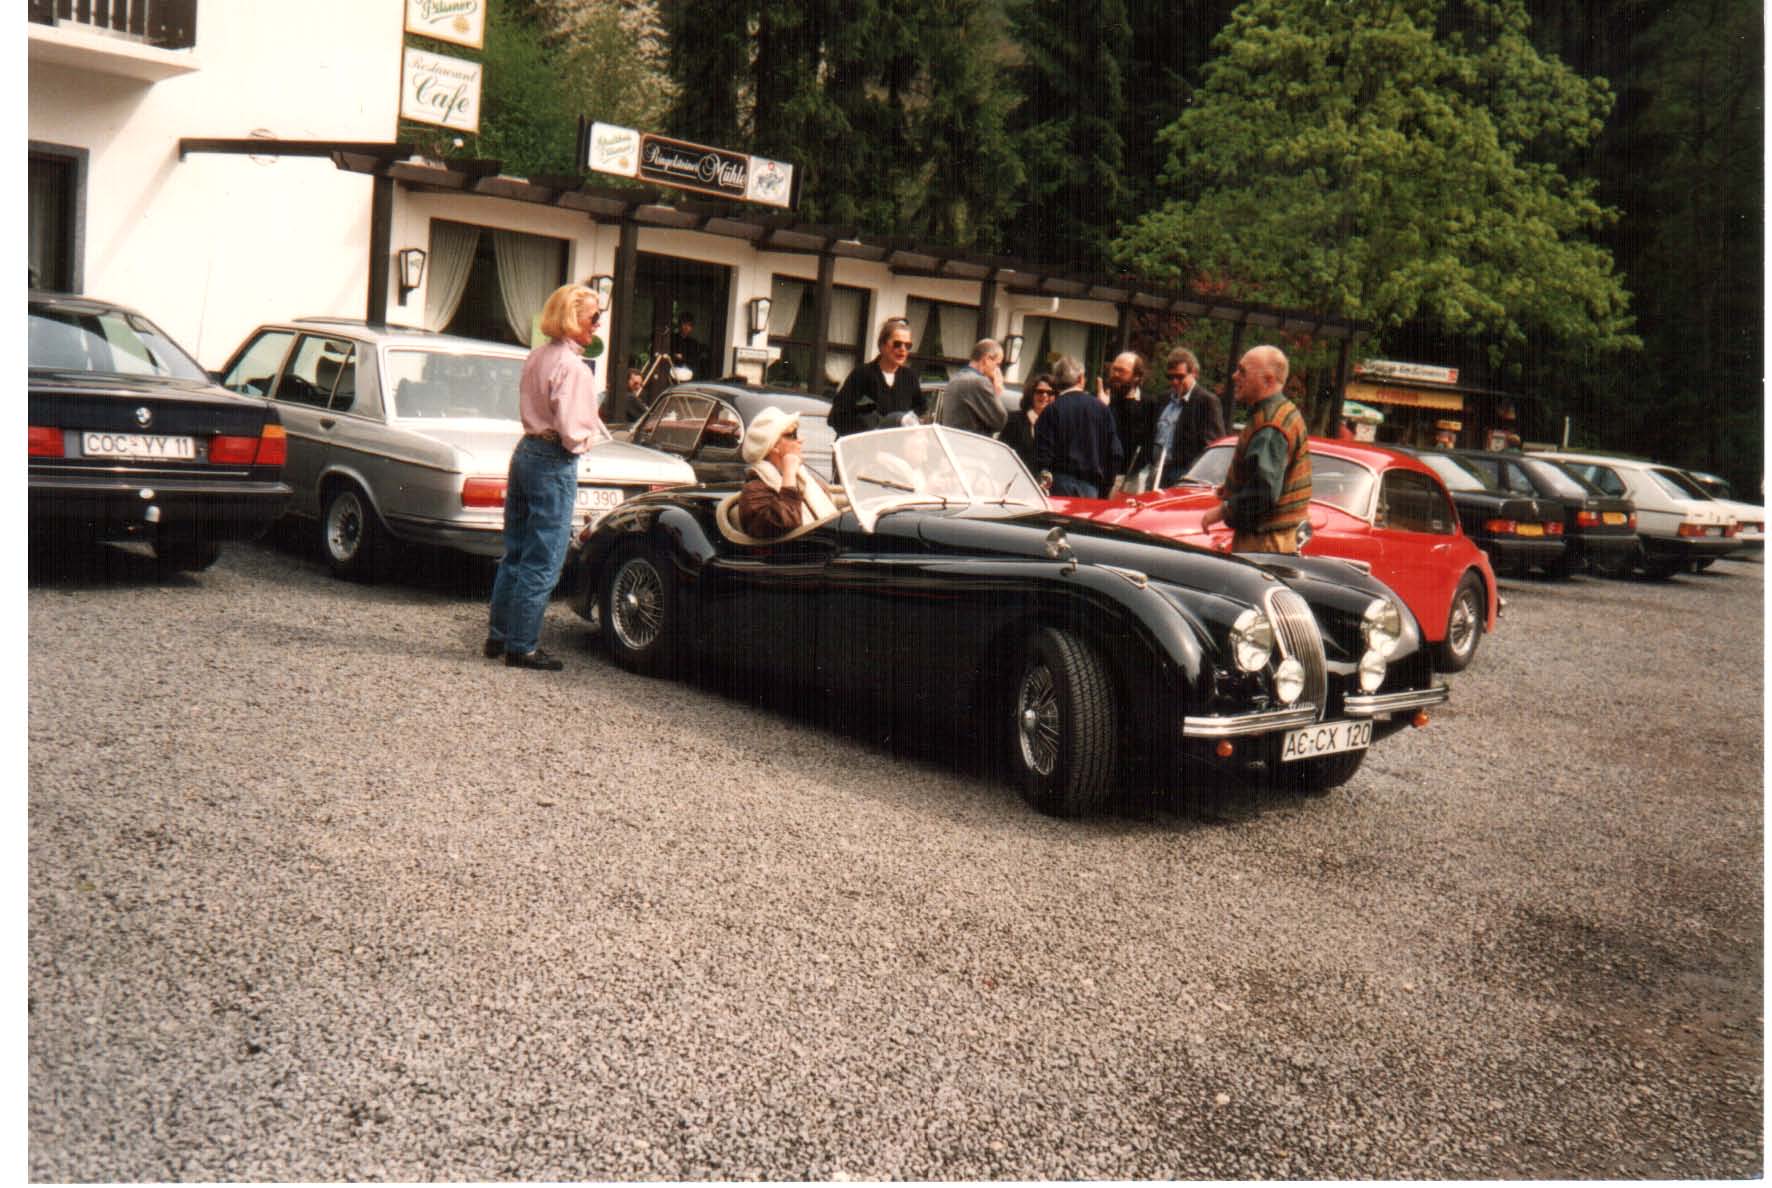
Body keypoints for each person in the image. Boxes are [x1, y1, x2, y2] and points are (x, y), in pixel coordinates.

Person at [484, 283, 610, 670]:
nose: (598, 324)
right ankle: (522, 646)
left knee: (516, 552)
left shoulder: (537, 356)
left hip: (526, 451)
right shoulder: (575, 368)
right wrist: (590, 439)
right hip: (553, 458)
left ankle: (499, 635)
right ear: (573, 318)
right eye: (594, 317)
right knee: (544, 558)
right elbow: (573, 432)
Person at [1198, 344, 1311, 554]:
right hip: (1274, 539)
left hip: (1263, 543)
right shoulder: (1282, 413)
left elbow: (1263, 492)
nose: (1234, 376)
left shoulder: (1270, 425)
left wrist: (1222, 511)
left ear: (1268, 380)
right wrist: (1232, 488)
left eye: (1242, 371)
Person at [735, 406, 838, 539]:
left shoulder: (803, 479)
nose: (800, 440)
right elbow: (782, 525)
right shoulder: (754, 490)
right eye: (792, 435)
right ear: (773, 446)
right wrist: (789, 473)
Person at [1033, 355, 1122, 497]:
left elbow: (1042, 453)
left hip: (1058, 484)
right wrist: (1105, 489)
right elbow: (1115, 454)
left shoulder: (1051, 410)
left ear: (1056, 381)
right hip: (1091, 485)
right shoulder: (1102, 409)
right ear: (1081, 379)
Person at [830, 317, 925, 435]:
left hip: (896, 445)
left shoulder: (910, 378)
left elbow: (920, 412)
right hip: (863, 443)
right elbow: (837, 416)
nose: (903, 349)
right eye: (897, 344)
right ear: (882, 345)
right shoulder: (862, 374)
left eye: (908, 345)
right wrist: (867, 429)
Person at [1151, 346, 1226, 486]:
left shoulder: (1206, 401)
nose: (1174, 382)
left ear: (1194, 373)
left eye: (1180, 377)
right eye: (1170, 377)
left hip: (1185, 474)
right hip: (1158, 470)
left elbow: (1213, 446)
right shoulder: (1163, 399)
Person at [936, 339, 1009, 437]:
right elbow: (1000, 421)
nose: (998, 370)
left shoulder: (954, 379)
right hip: (972, 444)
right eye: (997, 364)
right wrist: (997, 391)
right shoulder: (979, 382)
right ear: (987, 359)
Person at [1100, 351, 1152, 481]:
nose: (1115, 374)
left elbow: (1147, 443)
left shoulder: (1148, 404)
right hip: (1100, 473)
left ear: (1136, 376)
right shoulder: (1100, 398)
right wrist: (1102, 408)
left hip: (1129, 477)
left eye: (1122, 371)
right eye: (1114, 369)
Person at [998, 373, 1056, 473]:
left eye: (1050, 393)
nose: (1044, 395)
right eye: (1040, 391)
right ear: (1031, 394)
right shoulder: (1014, 420)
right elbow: (1002, 452)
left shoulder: (1057, 425)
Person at [668, 312, 710, 379]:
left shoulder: (694, 343)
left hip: (688, 374)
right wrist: (675, 355)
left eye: (689, 325)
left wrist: (683, 358)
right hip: (672, 372)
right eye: (684, 324)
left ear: (692, 328)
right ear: (679, 325)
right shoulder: (671, 339)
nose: (686, 327)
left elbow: (695, 359)